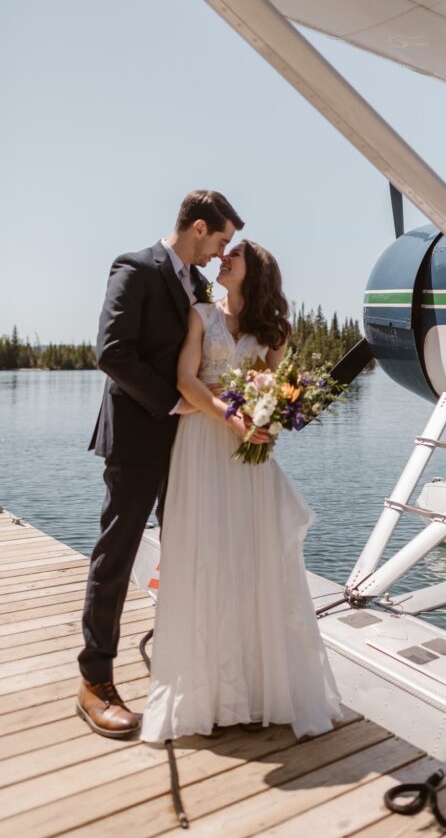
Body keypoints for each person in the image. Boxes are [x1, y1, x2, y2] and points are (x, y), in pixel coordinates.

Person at [140, 240, 342, 742]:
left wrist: (265, 422)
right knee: (205, 557)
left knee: (252, 559)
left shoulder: (275, 331)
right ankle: (206, 695)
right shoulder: (199, 315)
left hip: (247, 454)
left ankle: (257, 691)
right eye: (222, 254)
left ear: (256, 272)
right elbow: (186, 381)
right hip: (201, 445)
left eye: (234, 256)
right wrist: (230, 416)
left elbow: (274, 390)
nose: (222, 259)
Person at [77, 190, 244, 738]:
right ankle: (94, 681)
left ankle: (184, 665)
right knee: (117, 555)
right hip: (136, 437)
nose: (222, 253)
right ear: (198, 228)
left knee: (188, 551)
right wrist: (175, 402)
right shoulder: (135, 267)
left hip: (188, 446)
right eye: (219, 239)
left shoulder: (196, 284)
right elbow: (111, 350)